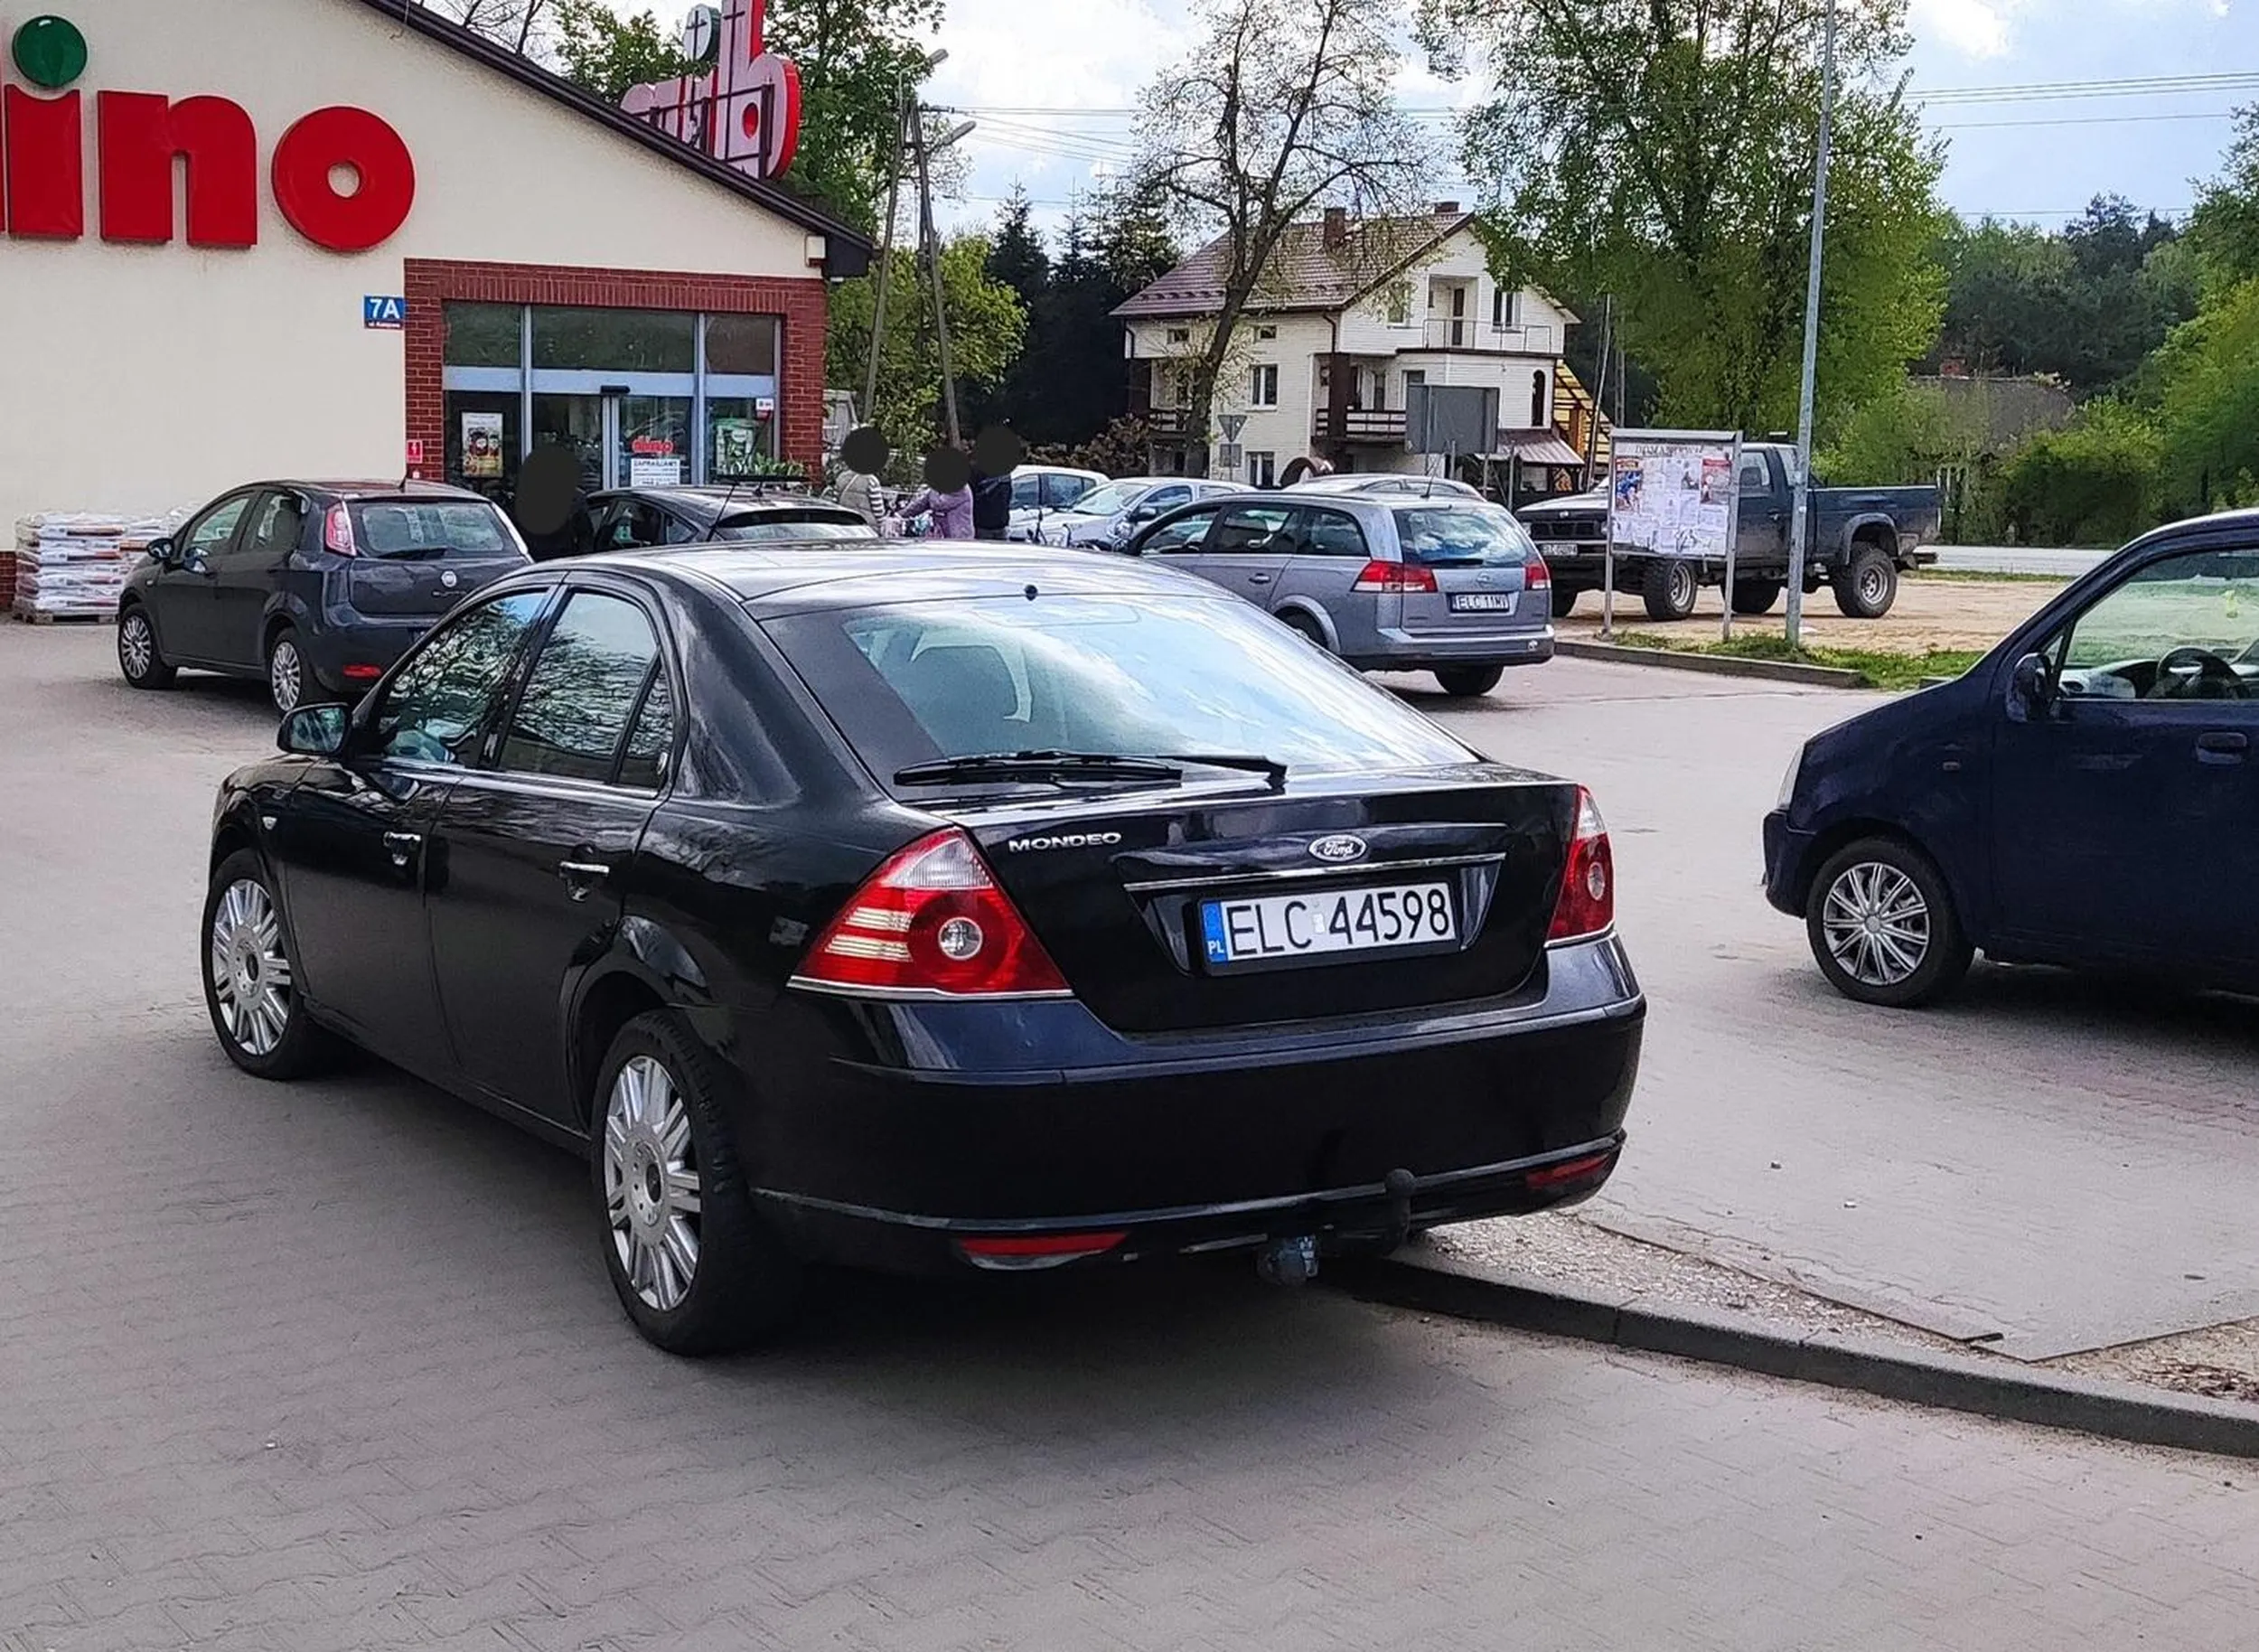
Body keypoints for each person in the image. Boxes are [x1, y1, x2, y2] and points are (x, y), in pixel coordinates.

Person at [832, 427, 888, 530]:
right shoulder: (871, 480)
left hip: (844, 525)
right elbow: (878, 510)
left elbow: (835, 503)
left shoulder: (841, 477)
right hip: (866, 527)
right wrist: (881, 525)